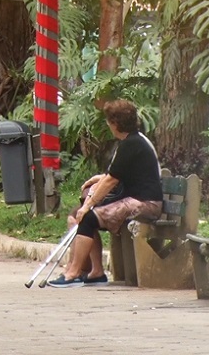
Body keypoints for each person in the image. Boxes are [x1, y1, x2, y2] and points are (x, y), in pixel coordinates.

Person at [47, 99, 163, 288]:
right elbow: (117, 174)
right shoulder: (130, 141)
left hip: (145, 203)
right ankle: (94, 271)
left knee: (87, 217)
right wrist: (99, 179)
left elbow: (112, 180)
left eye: (109, 121)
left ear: (115, 123)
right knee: (75, 215)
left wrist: (88, 205)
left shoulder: (132, 143)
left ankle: (74, 273)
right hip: (132, 198)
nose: (108, 125)